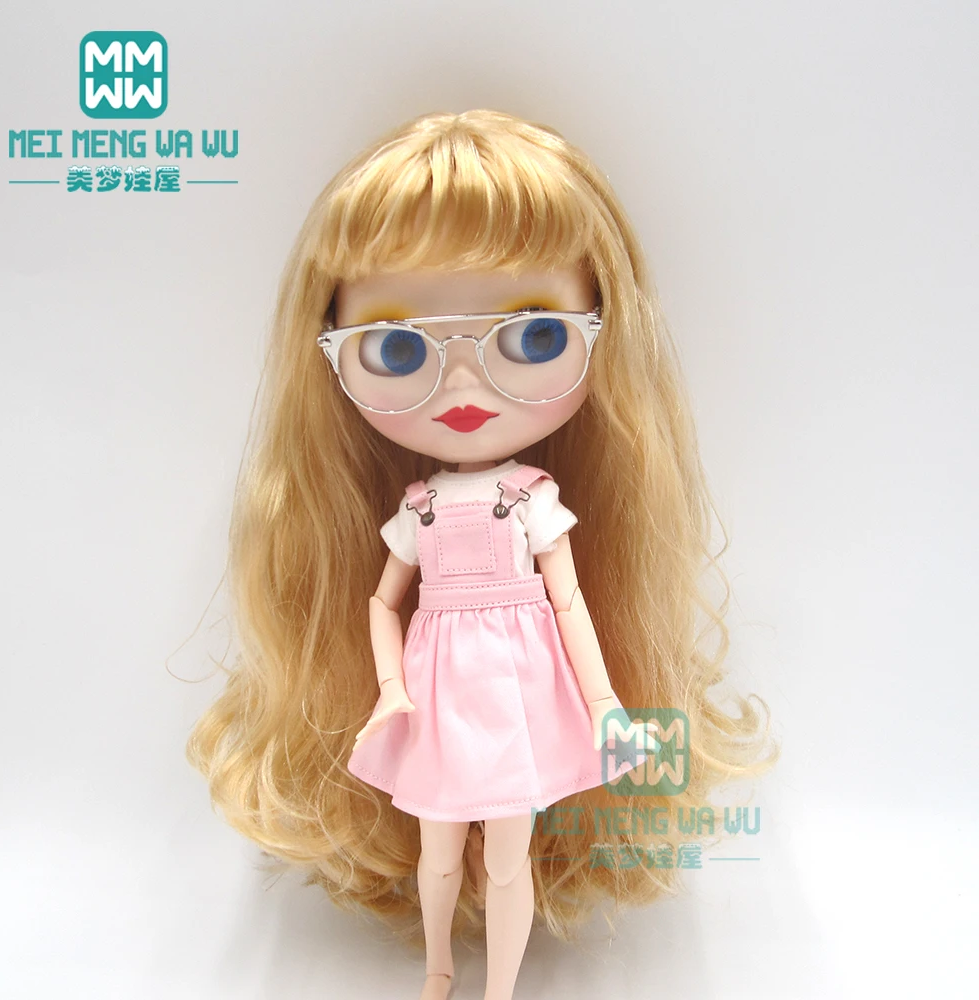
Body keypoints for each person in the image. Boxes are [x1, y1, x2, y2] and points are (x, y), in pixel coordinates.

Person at [188, 109, 775, 1000]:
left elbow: (570, 602)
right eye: (397, 348)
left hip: (517, 686)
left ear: (603, 330)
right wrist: (390, 687)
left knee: (506, 854)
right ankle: (438, 968)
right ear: (329, 353)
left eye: (534, 336)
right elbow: (381, 602)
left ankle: (497, 986)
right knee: (437, 849)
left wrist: (606, 704)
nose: (461, 380)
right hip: (435, 687)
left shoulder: (528, 497)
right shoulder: (418, 505)